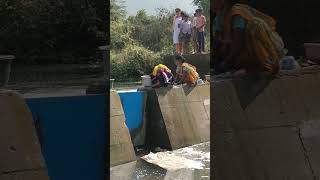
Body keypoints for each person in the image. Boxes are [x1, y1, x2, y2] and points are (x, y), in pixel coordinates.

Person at [213, 0, 287, 76]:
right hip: (246, 52)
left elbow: (238, 44)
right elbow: (217, 43)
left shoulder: (237, 13)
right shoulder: (220, 17)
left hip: (266, 49)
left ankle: (268, 64)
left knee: (255, 25)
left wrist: (226, 63)